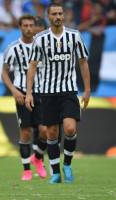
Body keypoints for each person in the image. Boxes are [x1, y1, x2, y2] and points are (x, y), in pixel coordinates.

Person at [25, 3, 90, 184]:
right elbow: (32, 66)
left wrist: (88, 89)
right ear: (48, 16)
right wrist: (29, 93)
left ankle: (67, 164)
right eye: (54, 14)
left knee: (70, 128)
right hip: (47, 93)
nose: (58, 16)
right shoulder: (40, 39)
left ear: (65, 15)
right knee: (51, 133)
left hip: (68, 91)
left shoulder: (74, 36)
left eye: (60, 13)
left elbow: (83, 62)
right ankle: (55, 172)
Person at [1, 15, 47, 181]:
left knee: (44, 131)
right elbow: (4, 73)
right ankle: (26, 170)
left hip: (41, 91)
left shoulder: (42, 45)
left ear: (35, 27)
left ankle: (38, 158)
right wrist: (14, 90)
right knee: (26, 132)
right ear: (20, 27)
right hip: (21, 92)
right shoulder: (12, 48)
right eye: (25, 25)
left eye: (31, 25)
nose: (28, 28)